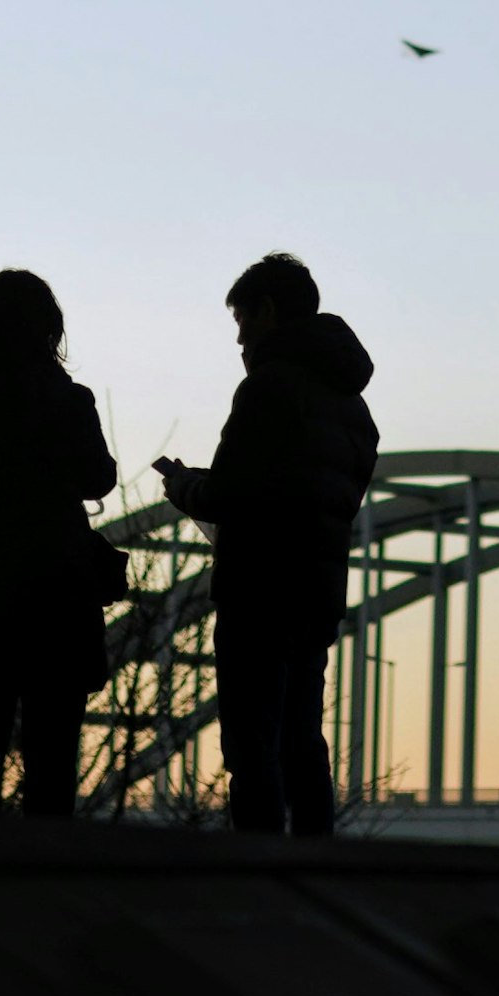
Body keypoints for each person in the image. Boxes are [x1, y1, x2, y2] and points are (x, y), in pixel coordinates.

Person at [155, 253, 375, 835]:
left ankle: (258, 868)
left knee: (252, 747)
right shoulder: (353, 407)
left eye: (243, 322)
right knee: (303, 741)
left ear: (269, 311)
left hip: (258, 591)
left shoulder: (269, 388)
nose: (239, 339)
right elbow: (323, 497)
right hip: (316, 591)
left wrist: (184, 485)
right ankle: (314, 868)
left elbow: (230, 495)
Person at [0, 270, 119, 817]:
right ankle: (44, 888)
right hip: (57, 595)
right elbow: (99, 478)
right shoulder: (69, 401)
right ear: (49, 331)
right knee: (53, 760)